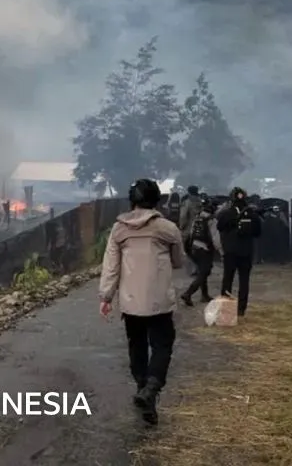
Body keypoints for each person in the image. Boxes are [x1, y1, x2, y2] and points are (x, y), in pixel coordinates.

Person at [99, 178, 186, 425]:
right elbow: (179, 261)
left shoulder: (119, 230)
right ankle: (151, 389)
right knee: (162, 345)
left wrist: (106, 297)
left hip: (130, 302)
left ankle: (142, 389)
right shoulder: (168, 229)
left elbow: (111, 268)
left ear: (132, 200)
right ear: (156, 199)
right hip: (159, 302)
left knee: (137, 346)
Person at [217, 186, 262, 318]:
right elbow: (258, 233)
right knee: (244, 281)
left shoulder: (226, 213)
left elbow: (219, 227)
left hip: (230, 251)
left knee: (227, 280)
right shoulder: (252, 214)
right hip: (246, 252)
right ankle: (241, 310)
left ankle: (225, 308)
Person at [180, 194, 222, 306]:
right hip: (205, 249)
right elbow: (215, 239)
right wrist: (222, 252)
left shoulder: (198, 217)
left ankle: (205, 295)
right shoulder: (212, 220)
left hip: (194, 248)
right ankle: (188, 293)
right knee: (204, 272)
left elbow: (191, 232)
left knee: (202, 271)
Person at [178, 185, 202, 276]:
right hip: (201, 229)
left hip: (189, 229)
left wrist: (181, 227)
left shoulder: (187, 202)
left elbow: (183, 216)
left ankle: (194, 268)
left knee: (186, 249)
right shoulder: (201, 202)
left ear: (188, 192)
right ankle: (199, 267)